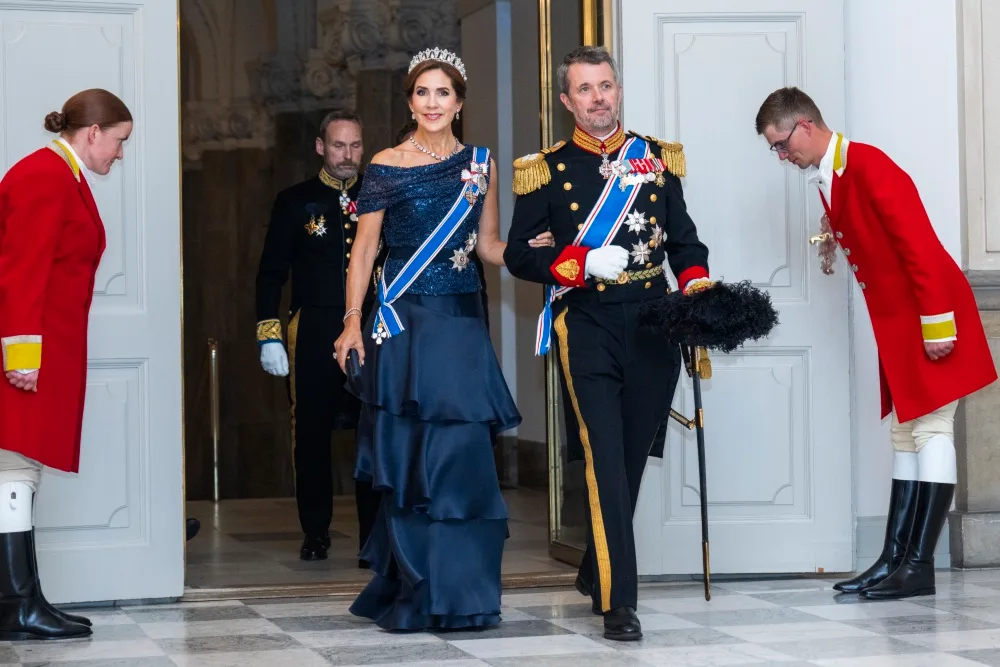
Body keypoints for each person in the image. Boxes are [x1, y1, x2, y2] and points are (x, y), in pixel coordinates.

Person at [334, 47, 553, 631]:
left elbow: (486, 245)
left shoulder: (480, 164)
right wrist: (353, 319)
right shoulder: (385, 162)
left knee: (461, 462)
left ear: (459, 102)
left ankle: (464, 593)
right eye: (422, 93)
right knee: (414, 462)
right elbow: (363, 251)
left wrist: (531, 254)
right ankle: (418, 587)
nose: (432, 103)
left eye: (443, 93)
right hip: (405, 324)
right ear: (411, 101)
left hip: (458, 324)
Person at [755, 86, 998, 600]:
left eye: (781, 144)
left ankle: (919, 566)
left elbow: (920, 244)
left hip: (929, 313)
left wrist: (936, 323)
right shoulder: (836, 173)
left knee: (932, 429)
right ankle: (893, 561)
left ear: (804, 125)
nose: (781, 155)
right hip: (900, 321)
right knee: (906, 435)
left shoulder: (868, 164)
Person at [504, 45, 713, 641]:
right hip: (589, 320)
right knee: (602, 453)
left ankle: (598, 561)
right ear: (567, 100)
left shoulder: (656, 158)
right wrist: (581, 259)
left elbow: (685, 243)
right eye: (585, 89)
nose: (598, 98)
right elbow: (520, 253)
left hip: (653, 320)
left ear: (618, 91)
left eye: (606, 86)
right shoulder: (544, 168)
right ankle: (619, 602)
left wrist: (697, 289)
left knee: (629, 453)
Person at [0, 88, 133, 640]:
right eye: (119, 142)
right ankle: (17, 607)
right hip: (27, 353)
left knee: (20, 472)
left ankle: (22, 602)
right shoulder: (44, 176)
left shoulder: (65, 175)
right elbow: (20, 270)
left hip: (48, 349)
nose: (120, 154)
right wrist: (23, 355)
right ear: (93, 132)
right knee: (13, 469)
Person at [254, 110, 381, 563]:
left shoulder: (378, 194)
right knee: (310, 434)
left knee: (373, 433)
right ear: (320, 147)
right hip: (312, 329)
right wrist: (268, 333)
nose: (347, 155)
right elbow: (271, 273)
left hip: (371, 329)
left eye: (355, 145)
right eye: (339, 145)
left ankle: (373, 538)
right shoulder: (294, 201)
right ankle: (315, 531)